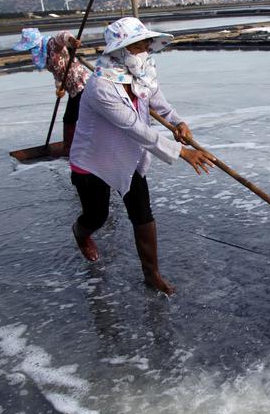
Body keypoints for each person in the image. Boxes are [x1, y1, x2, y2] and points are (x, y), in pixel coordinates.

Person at [68, 17, 216, 295]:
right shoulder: (100, 87)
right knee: (97, 216)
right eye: (138, 46)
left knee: (142, 214)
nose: (145, 50)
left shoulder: (142, 74)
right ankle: (80, 232)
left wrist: (178, 122)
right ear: (120, 50)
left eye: (146, 43)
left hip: (128, 155)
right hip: (94, 160)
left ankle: (152, 275)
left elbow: (160, 104)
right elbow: (134, 128)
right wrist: (183, 152)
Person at [12, 28, 91, 153]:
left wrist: (71, 40)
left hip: (81, 83)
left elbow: (62, 35)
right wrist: (59, 87)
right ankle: (71, 145)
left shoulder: (51, 44)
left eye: (32, 48)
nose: (31, 51)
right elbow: (57, 72)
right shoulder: (46, 55)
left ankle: (70, 148)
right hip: (73, 88)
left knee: (71, 117)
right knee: (72, 116)